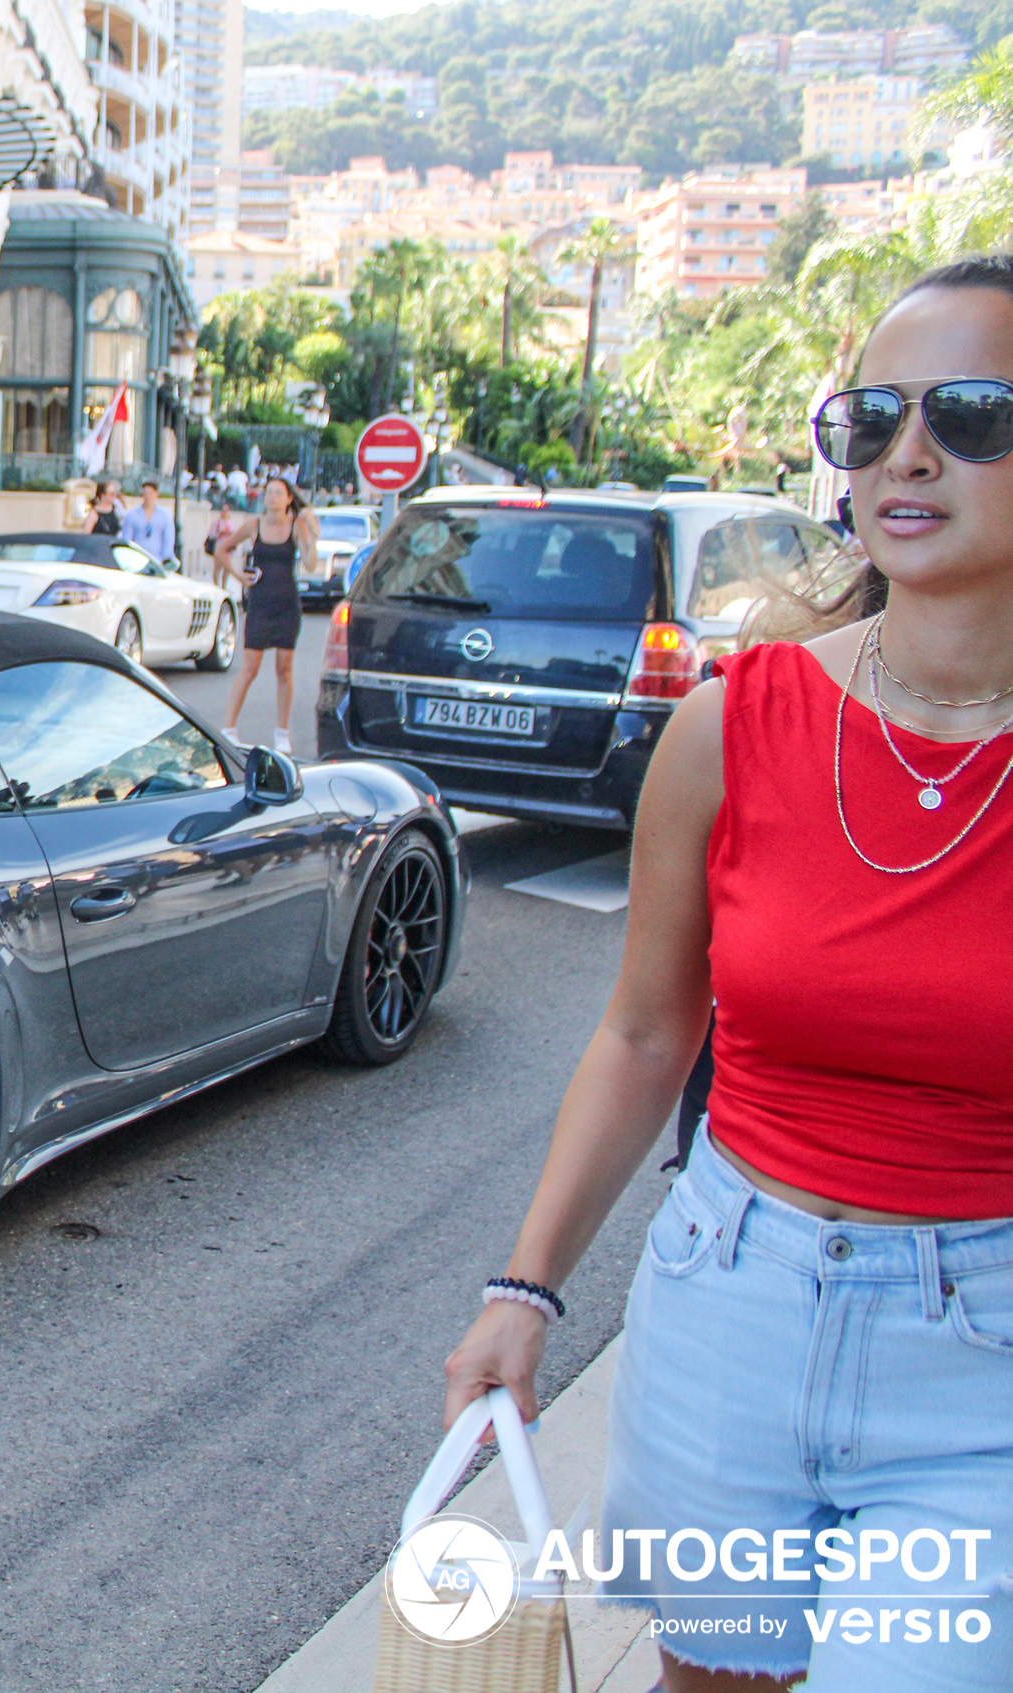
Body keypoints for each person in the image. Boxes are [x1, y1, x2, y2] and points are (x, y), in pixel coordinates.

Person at [444, 257, 1013, 1692]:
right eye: (872, 415)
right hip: (731, 1308)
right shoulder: (732, 725)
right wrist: (527, 1287)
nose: (912, 450)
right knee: (715, 1683)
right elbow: (644, 1037)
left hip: (984, 1353)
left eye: (975, 413)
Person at [216, 473, 316, 754]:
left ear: (288, 499)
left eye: (277, 493)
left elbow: (309, 563)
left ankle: (282, 732)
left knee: (284, 668)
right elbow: (222, 548)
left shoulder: (297, 526)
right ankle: (229, 728)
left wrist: (313, 536)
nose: (271, 497)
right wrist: (238, 575)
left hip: (287, 604)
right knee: (249, 668)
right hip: (260, 602)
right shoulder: (253, 525)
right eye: (268, 492)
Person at [120, 479, 174, 564]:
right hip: (137, 558)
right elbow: (127, 538)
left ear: (157, 494)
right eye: (145, 493)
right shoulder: (132, 515)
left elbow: (168, 540)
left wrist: (166, 560)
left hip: (157, 559)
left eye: (151, 493)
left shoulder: (165, 515)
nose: (148, 496)